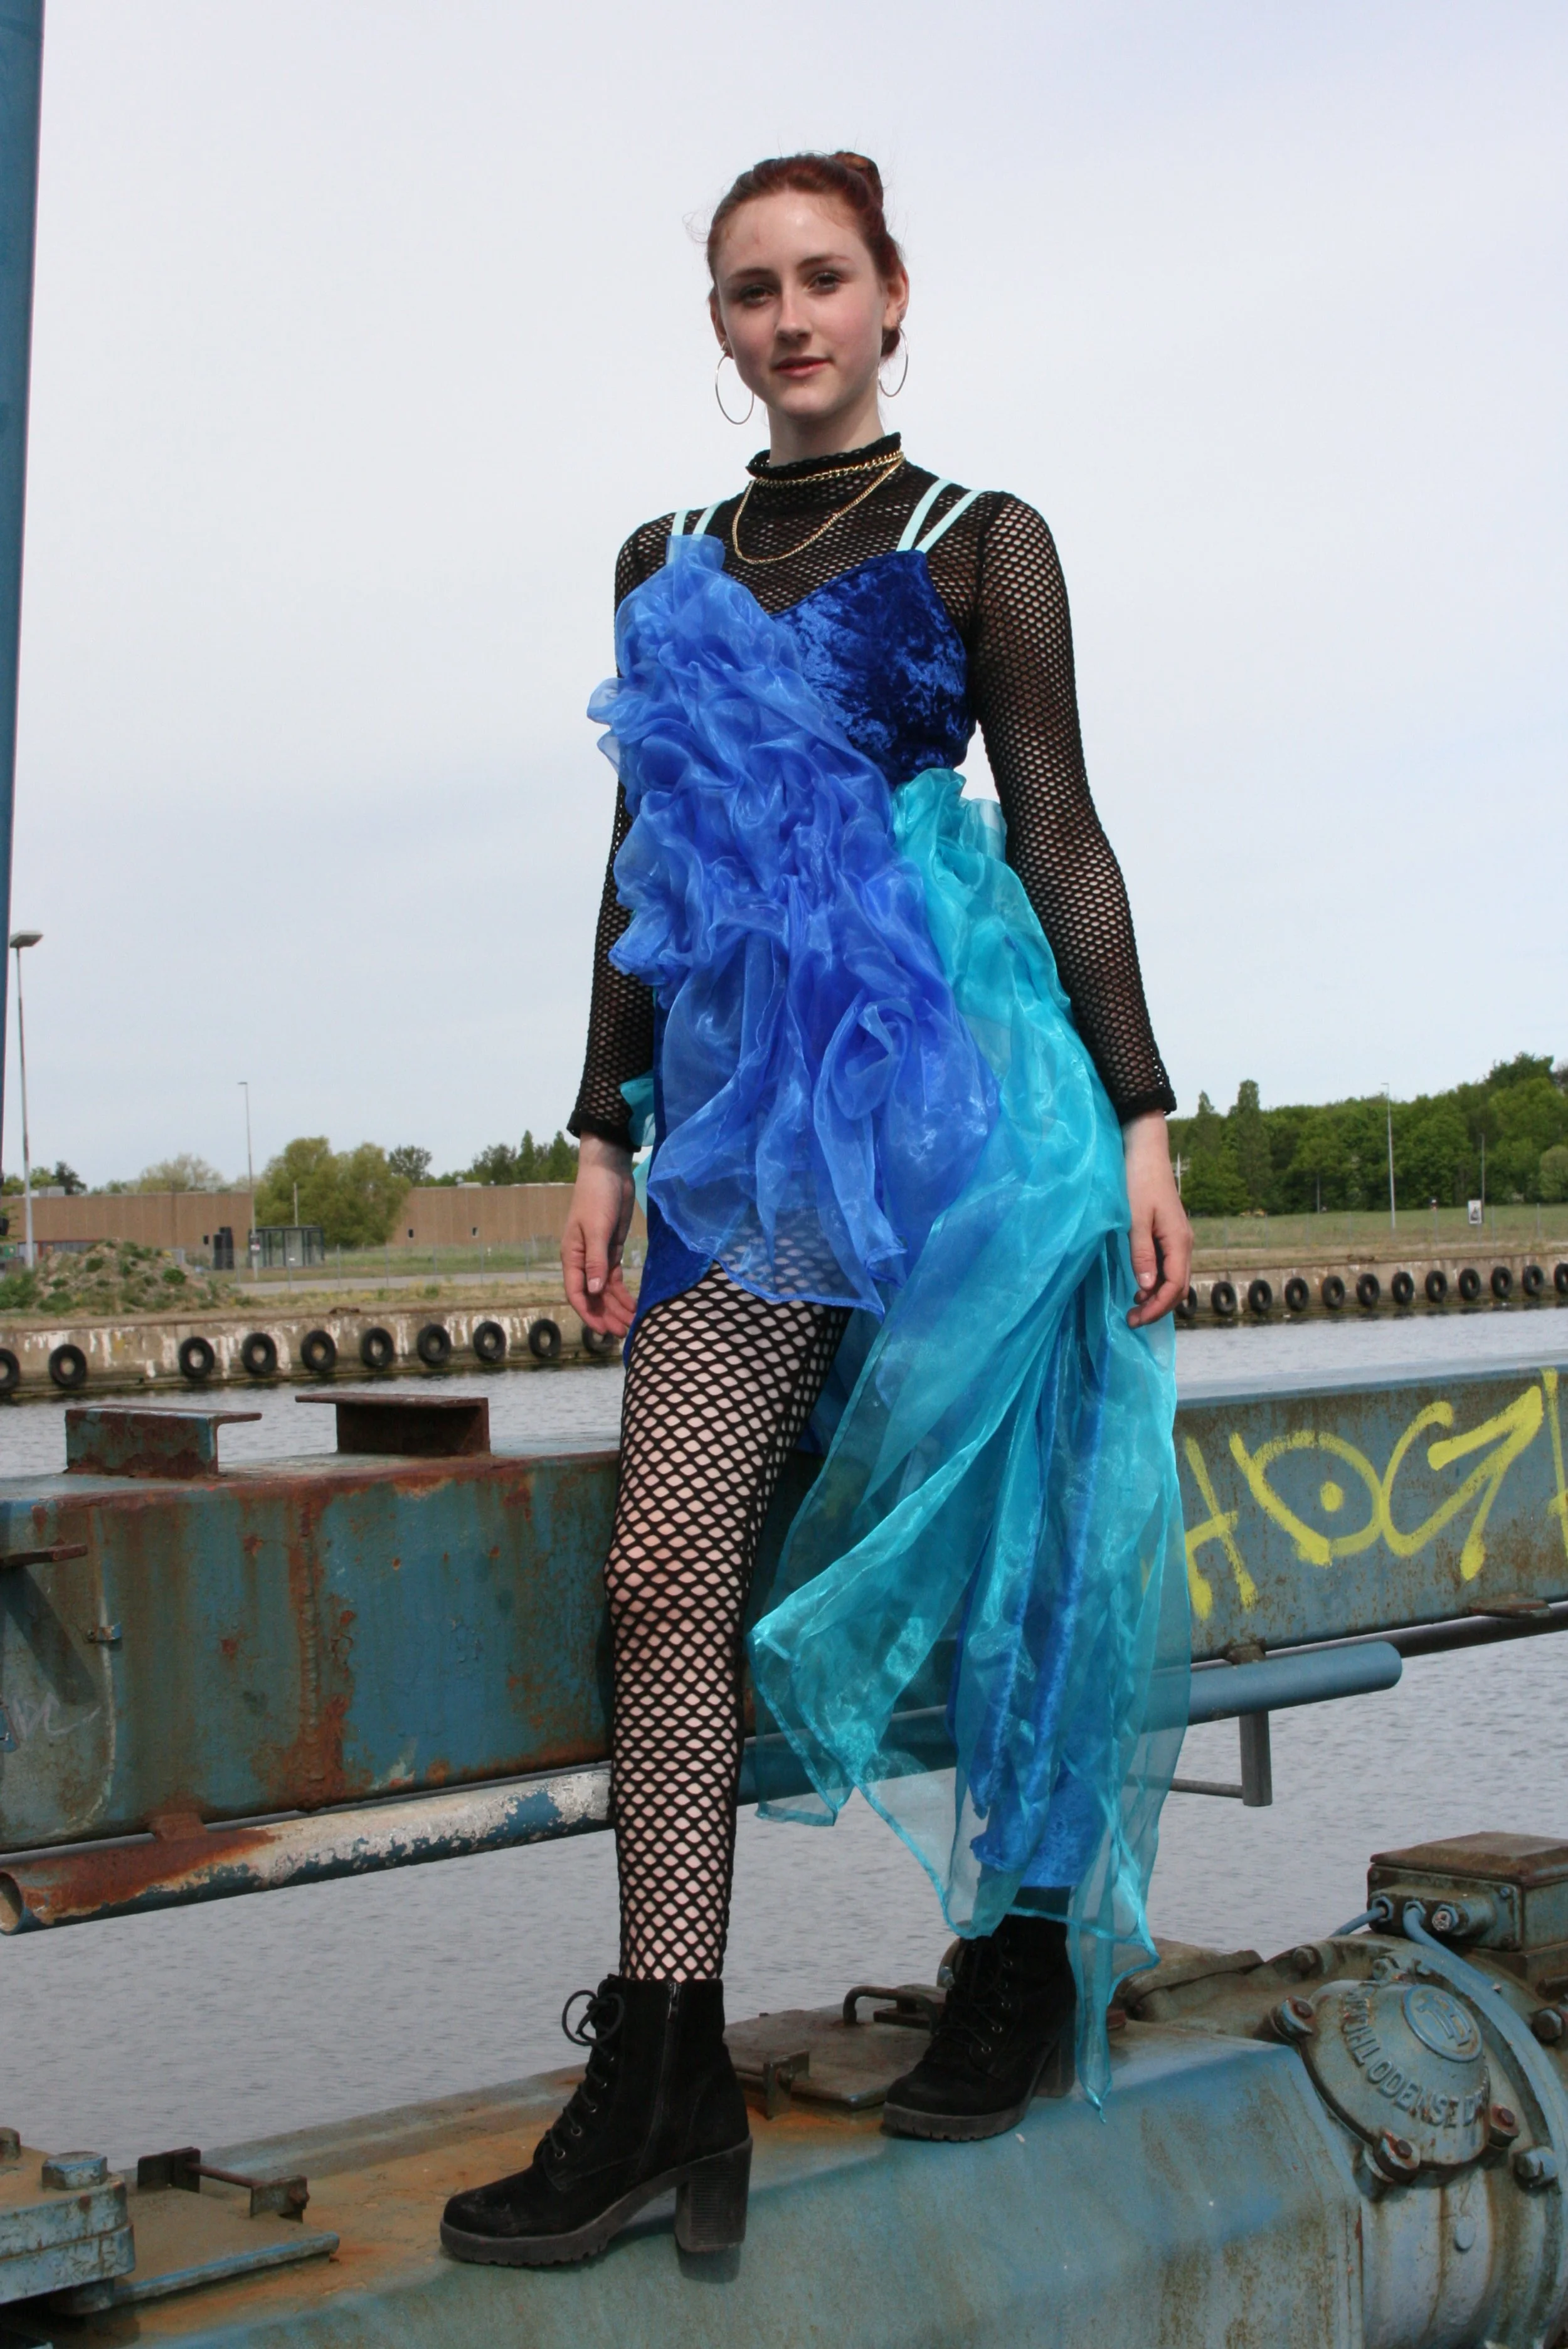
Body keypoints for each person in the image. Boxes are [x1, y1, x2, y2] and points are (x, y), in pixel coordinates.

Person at [441, 149, 1191, 2272]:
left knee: (1025, 1491)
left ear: (888, 302)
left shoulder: (983, 547)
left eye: (824, 280)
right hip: (749, 1110)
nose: (789, 319)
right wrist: (598, 1131)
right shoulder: (660, 556)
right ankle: (662, 2058)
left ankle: (1024, 1953)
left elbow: (1056, 827)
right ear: (720, 327)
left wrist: (1136, 1112)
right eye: (751, 290)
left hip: (962, 1074)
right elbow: (638, 861)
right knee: (666, 1555)